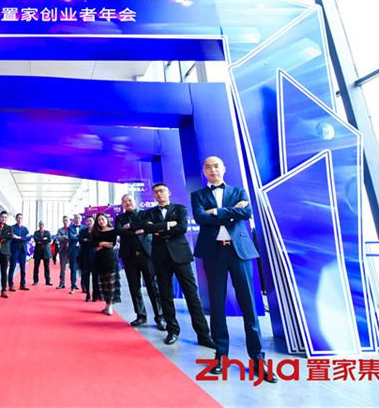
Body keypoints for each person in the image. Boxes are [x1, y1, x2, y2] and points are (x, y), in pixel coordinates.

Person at [191, 156, 276, 382]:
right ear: (204, 171)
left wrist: (216, 212)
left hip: (239, 252)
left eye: (216, 166)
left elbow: (246, 213)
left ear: (224, 168)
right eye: (208, 167)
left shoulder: (239, 191)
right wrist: (229, 212)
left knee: (249, 306)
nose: (213, 170)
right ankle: (221, 356)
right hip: (214, 253)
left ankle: (258, 359)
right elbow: (200, 218)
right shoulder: (198, 195)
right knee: (217, 306)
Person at [142, 182, 215, 348]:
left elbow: (182, 228)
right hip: (160, 257)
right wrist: (168, 225)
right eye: (156, 192)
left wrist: (158, 229)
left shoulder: (180, 209)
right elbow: (146, 229)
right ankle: (172, 330)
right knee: (165, 295)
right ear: (153, 195)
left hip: (181, 256)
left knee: (191, 295)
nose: (159, 194)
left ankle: (204, 335)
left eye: (162, 191)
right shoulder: (149, 212)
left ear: (168, 192)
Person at [115, 194, 166, 331]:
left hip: (146, 255)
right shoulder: (119, 218)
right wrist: (136, 231)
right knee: (134, 287)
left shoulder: (145, 214)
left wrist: (130, 226)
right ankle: (141, 315)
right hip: (129, 257)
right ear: (122, 204)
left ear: (135, 201)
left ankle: (160, 317)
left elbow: (146, 226)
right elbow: (119, 231)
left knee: (153, 287)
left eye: (129, 200)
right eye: (124, 202)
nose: (127, 203)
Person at [92, 213, 119, 315]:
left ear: (107, 220)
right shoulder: (96, 232)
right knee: (103, 283)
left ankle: (110, 305)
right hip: (99, 259)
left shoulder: (113, 231)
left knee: (111, 283)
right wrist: (101, 243)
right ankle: (107, 304)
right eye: (99, 220)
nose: (101, 221)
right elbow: (93, 243)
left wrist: (100, 244)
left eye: (102, 219)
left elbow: (112, 244)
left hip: (110, 258)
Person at [0, 211, 13, 298]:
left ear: (7, 218)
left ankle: (4, 290)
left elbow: (10, 237)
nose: (3, 218)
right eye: (2, 217)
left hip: (5, 252)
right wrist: (2, 237)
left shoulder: (9, 228)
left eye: (5, 217)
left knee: (4, 272)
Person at [78, 216, 99, 302]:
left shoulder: (97, 231)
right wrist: (89, 241)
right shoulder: (83, 231)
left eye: (90, 221)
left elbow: (96, 242)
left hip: (95, 256)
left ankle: (95, 294)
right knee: (86, 275)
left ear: (93, 222)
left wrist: (87, 240)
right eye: (87, 221)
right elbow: (80, 241)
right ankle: (87, 294)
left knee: (95, 276)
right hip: (84, 255)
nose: (89, 222)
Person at [9, 213, 31, 291]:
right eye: (18, 218)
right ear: (16, 219)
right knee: (12, 267)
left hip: (23, 250)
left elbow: (29, 237)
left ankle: (23, 284)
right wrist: (22, 238)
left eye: (21, 218)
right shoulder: (12, 228)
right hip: (15, 250)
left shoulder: (25, 228)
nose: (19, 219)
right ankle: (11, 285)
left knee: (23, 268)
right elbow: (12, 236)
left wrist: (21, 238)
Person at [67, 214, 84, 294]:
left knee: (83, 269)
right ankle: (73, 286)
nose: (77, 219)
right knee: (73, 269)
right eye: (76, 218)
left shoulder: (84, 228)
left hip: (83, 250)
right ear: (73, 220)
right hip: (73, 251)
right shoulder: (70, 228)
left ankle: (84, 287)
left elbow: (86, 237)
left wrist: (77, 236)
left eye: (79, 218)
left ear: (81, 219)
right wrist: (81, 238)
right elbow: (71, 237)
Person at [32, 221, 52, 285]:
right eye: (40, 224)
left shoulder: (47, 232)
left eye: (42, 224)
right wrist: (43, 239)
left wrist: (40, 240)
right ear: (39, 225)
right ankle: (35, 281)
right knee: (36, 267)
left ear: (44, 225)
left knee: (47, 267)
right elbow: (36, 240)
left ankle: (48, 281)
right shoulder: (36, 232)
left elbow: (49, 240)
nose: (41, 225)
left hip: (46, 251)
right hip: (38, 251)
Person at [54, 216, 71, 289]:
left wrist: (65, 237)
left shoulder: (72, 229)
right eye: (64, 220)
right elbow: (58, 238)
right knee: (62, 268)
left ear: (69, 221)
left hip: (71, 250)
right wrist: (67, 238)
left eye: (66, 220)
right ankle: (62, 283)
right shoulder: (60, 230)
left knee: (73, 267)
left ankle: (73, 284)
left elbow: (72, 237)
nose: (65, 222)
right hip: (63, 250)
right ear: (62, 221)